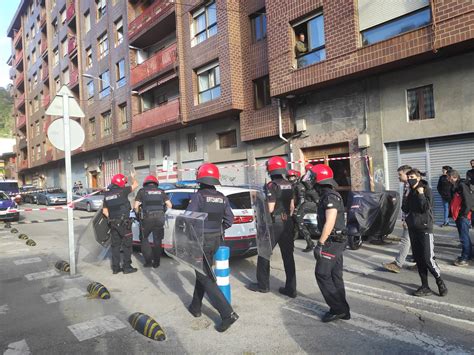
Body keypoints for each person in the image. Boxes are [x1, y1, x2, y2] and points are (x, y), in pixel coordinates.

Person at [186, 163, 239, 332]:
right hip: (215, 240)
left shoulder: (199, 196)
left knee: (205, 276)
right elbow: (229, 220)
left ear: (200, 179)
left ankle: (227, 314)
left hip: (200, 241)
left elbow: (189, 219)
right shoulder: (222, 197)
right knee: (202, 272)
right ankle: (195, 307)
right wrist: (218, 230)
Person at [247, 156, 297, 298]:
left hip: (275, 224)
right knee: (288, 256)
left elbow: (270, 208)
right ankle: (291, 289)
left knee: (264, 253)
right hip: (288, 222)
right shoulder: (289, 184)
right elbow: (292, 206)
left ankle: (263, 285)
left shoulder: (271, 186)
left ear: (270, 169)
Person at [311, 164, 350, 322]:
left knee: (322, 273)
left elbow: (330, 222)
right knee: (335, 275)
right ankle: (344, 310)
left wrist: (320, 244)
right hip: (337, 240)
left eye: (313, 177)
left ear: (319, 180)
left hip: (332, 241)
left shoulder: (330, 197)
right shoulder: (328, 195)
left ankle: (337, 309)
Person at [402, 169, 448, 296]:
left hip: (425, 228)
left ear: (418, 178)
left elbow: (425, 208)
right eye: (408, 177)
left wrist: (421, 194)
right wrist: (405, 196)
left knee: (428, 259)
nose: (409, 179)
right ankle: (425, 286)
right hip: (413, 228)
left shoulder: (426, 189)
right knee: (419, 259)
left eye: (411, 176)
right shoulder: (409, 191)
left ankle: (439, 281)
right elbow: (405, 209)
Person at [102, 172, 139, 275]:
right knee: (127, 245)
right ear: (121, 182)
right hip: (124, 223)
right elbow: (136, 185)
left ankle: (115, 268)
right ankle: (127, 267)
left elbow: (105, 212)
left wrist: (113, 218)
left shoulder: (107, 195)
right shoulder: (123, 190)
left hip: (113, 224)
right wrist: (133, 177)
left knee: (115, 246)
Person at [134, 175, 172, 268]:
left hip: (147, 218)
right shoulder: (161, 191)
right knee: (157, 241)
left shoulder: (142, 191)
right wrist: (163, 211)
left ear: (145, 183)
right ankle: (156, 263)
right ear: (156, 183)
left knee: (144, 239)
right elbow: (170, 205)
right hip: (160, 218)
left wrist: (138, 215)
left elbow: (135, 207)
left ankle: (148, 262)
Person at [383, 165, 415, 273]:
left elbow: (412, 205)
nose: (398, 177)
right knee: (415, 241)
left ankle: (398, 263)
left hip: (413, 219)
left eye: (400, 174)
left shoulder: (412, 186)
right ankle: (421, 262)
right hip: (411, 218)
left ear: (407, 174)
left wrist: (407, 219)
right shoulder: (407, 185)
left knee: (406, 241)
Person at [447, 169, 472, 266]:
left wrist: (463, 214)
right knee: (465, 236)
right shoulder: (455, 185)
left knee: (463, 237)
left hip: (462, 216)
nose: (447, 179)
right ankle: (469, 255)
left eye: (448, 177)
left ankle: (465, 258)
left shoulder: (461, 185)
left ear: (453, 177)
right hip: (459, 216)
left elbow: (468, 202)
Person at [288, 169, 315, 252]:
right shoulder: (292, 186)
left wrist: (296, 209)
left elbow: (301, 199)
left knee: (299, 224)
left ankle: (310, 244)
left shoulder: (299, 186)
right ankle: (290, 244)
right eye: (289, 177)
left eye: (292, 177)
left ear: (296, 177)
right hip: (297, 206)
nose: (290, 179)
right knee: (294, 225)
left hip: (303, 206)